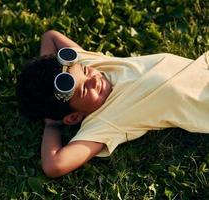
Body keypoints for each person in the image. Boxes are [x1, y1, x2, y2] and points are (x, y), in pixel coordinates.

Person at [17, 30, 209, 178]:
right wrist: (52, 123)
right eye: (84, 91)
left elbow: (50, 37)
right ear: (73, 117)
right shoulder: (103, 121)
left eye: (84, 70)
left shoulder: (87, 66)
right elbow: (54, 165)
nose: (92, 79)